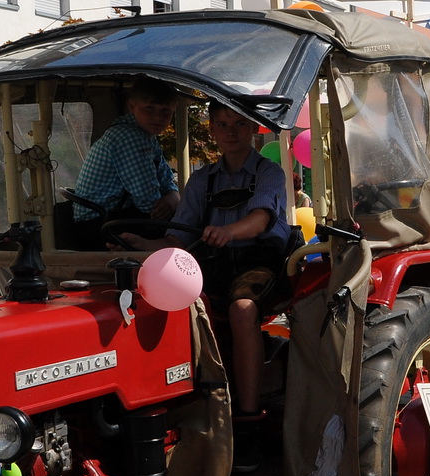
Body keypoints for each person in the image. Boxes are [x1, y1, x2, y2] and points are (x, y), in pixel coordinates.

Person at [128, 105, 291, 420]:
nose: (231, 131)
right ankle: (181, 409)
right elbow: (178, 239)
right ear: (213, 130)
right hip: (213, 263)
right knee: (162, 305)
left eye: (240, 124)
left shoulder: (268, 172)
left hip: (258, 261)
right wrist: (144, 245)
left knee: (242, 309)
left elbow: (260, 219)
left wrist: (228, 231)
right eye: (222, 124)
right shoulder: (202, 180)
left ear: (254, 129)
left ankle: (248, 417)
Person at [72, 78, 181, 227]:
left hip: (113, 217)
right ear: (132, 106)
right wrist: (174, 199)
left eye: (165, 110)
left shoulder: (146, 137)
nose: (158, 117)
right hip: (98, 224)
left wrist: (173, 197)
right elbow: (150, 205)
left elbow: (166, 179)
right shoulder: (129, 137)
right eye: (149, 108)